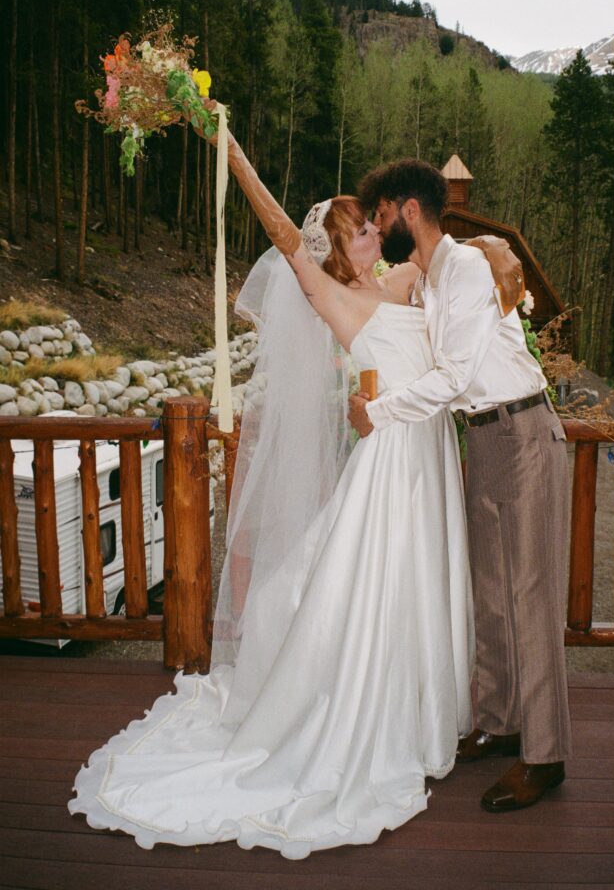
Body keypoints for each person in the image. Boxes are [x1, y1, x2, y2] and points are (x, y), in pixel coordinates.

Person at [69, 135, 520, 857]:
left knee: (424, 582)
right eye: (362, 230)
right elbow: (284, 236)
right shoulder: (332, 297)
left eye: (377, 224)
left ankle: (425, 716)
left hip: (430, 449)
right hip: (391, 458)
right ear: (339, 251)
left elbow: (467, 283)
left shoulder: (410, 280)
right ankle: (360, 719)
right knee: (378, 581)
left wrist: (501, 263)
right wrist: (231, 151)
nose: (377, 232)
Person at [349, 158, 572, 813]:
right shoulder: (430, 281)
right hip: (482, 437)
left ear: (409, 211)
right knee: (493, 596)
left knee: (529, 599)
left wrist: (378, 414)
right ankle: (502, 725)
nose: (379, 225)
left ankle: (545, 756)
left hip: (523, 434)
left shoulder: (468, 270)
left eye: (382, 214)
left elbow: (453, 373)